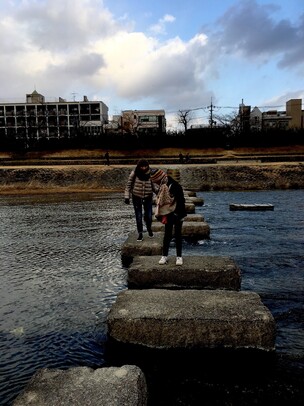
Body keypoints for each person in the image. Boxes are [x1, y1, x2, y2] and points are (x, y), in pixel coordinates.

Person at [150, 168, 187, 265]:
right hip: (168, 213)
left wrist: (177, 214)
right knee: (167, 235)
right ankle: (164, 256)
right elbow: (159, 197)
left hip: (177, 213)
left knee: (178, 235)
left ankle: (179, 257)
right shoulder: (162, 186)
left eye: (156, 181)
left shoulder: (175, 185)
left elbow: (181, 201)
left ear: (160, 178)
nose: (156, 183)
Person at [124, 159, 158, 241]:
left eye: (145, 166)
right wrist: (126, 197)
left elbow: (153, 186)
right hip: (136, 196)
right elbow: (128, 185)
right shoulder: (134, 173)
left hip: (148, 197)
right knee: (138, 216)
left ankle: (149, 229)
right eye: (142, 166)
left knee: (149, 216)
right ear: (139, 166)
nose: (144, 168)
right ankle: (140, 233)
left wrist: (159, 192)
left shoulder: (151, 174)